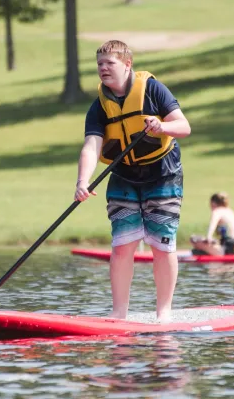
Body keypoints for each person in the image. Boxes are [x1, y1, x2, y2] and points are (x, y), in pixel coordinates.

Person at [73, 40, 191, 323]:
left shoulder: (153, 89)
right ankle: (119, 313)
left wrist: (162, 126)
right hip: (124, 175)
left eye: (109, 63)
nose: (103, 69)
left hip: (163, 173)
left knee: (162, 244)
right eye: (99, 64)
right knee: (122, 244)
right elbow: (92, 146)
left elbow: (184, 126)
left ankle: (163, 313)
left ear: (127, 65)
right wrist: (82, 181)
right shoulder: (99, 106)